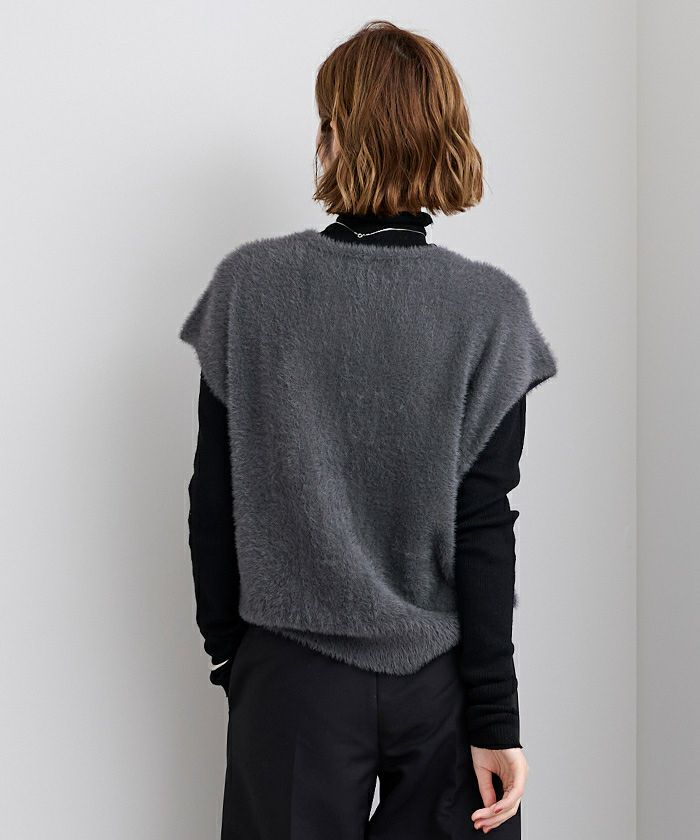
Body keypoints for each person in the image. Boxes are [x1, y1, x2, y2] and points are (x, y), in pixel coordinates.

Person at [179, 19, 558, 840]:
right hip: (440, 683)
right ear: (446, 138)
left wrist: (232, 652)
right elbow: (484, 526)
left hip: (291, 674)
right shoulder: (490, 311)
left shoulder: (250, 288)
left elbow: (213, 496)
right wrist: (496, 717)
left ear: (332, 137)